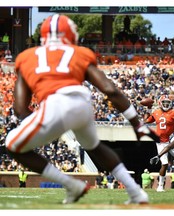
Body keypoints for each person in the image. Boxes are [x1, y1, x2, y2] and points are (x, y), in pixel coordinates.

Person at [5, 14, 160, 205]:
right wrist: (136, 124)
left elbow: (20, 109)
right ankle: (136, 193)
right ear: (71, 35)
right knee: (94, 146)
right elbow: (110, 89)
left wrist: (47, 124)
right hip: (82, 102)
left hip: (55, 103)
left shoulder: (26, 57)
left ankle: (71, 184)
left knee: (12, 144)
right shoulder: (80, 53)